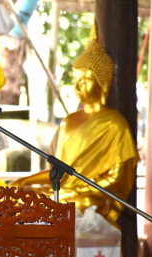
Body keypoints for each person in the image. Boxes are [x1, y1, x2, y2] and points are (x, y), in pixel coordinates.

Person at [11, 21, 139, 227]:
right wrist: (25, 181)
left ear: (103, 84)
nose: (78, 86)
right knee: (20, 195)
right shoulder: (69, 122)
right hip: (65, 192)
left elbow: (118, 178)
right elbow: (59, 172)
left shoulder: (115, 124)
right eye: (76, 80)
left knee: (80, 203)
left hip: (90, 196)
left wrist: (82, 189)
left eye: (85, 81)